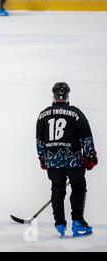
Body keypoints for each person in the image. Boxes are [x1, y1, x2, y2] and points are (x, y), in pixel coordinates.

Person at [36, 82, 98, 237]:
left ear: (53, 95)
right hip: (74, 161)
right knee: (78, 188)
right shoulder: (76, 113)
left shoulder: (43, 115)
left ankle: (60, 224)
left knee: (57, 190)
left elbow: (39, 141)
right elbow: (86, 137)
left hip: (53, 161)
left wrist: (43, 158)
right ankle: (77, 222)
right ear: (68, 95)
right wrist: (90, 156)